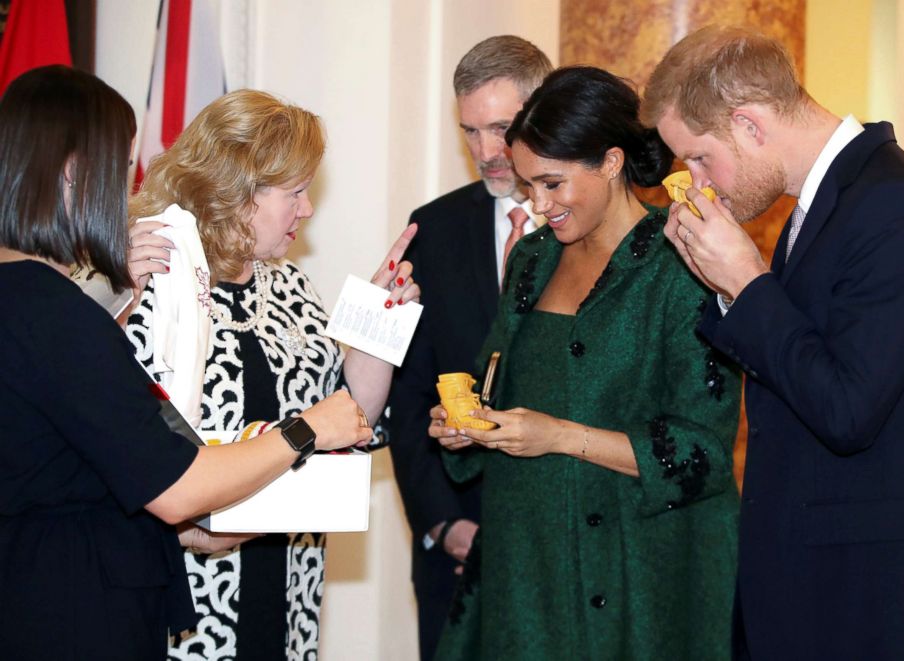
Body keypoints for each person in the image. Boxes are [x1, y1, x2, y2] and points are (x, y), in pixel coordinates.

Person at [0, 66, 371, 661]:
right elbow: (173, 487)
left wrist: (217, 521)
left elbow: (123, 469)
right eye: (120, 169)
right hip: (70, 611)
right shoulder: (57, 311)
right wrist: (306, 431)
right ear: (74, 173)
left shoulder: (40, 302)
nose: (125, 194)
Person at [643, 25, 904, 660]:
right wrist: (727, 286)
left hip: (869, 600)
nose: (697, 179)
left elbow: (847, 410)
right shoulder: (821, 204)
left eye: (699, 157)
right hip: (809, 583)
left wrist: (745, 280)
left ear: (749, 124)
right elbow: (794, 368)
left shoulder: (899, 205)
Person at [428, 66, 742, 660]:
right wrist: (465, 425)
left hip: (635, 577)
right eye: (528, 187)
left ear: (612, 162)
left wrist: (561, 436)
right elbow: (492, 380)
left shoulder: (684, 266)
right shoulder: (532, 259)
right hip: (524, 573)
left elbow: (702, 454)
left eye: (553, 183)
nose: (539, 206)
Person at [125, 89, 420, 660]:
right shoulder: (153, 284)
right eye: (296, 191)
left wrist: (378, 329)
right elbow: (132, 448)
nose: (307, 209)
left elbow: (345, 417)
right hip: (191, 588)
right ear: (237, 192)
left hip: (289, 582)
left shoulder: (288, 285)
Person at [387, 35, 552, 659]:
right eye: (470, 132)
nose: (486, 152)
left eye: (501, 129)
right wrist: (444, 525)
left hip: (567, 548)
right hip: (457, 550)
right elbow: (409, 394)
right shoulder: (433, 227)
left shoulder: (594, 228)